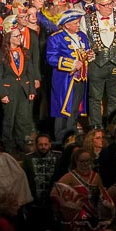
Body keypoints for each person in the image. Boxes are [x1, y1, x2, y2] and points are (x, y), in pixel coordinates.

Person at [0, 18, 38, 154]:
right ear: (9, 38)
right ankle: (7, 144)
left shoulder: (25, 52)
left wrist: (32, 90)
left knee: (22, 118)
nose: (19, 38)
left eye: (20, 35)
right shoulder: (1, 54)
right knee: (9, 119)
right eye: (16, 36)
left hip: (23, 89)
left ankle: (21, 142)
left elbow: (30, 72)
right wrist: (2, 94)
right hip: (9, 90)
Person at [84, 0, 116, 131]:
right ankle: (96, 126)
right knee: (95, 97)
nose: (109, 7)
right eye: (106, 5)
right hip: (97, 63)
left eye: (111, 4)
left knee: (115, 98)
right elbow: (83, 42)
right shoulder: (86, 20)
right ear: (97, 6)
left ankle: (112, 125)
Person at [46, 8, 91, 142]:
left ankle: (73, 134)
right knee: (62, 108)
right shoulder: (56, 38)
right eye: (75, 23)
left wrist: (88, 56)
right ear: (66, 25)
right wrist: (71, 63)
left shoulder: (82, 36)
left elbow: (85, 51)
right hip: (65, 79)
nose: (78, 25)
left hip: (81, 78)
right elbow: (51, 58)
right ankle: (60, 138)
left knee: (75, 108)